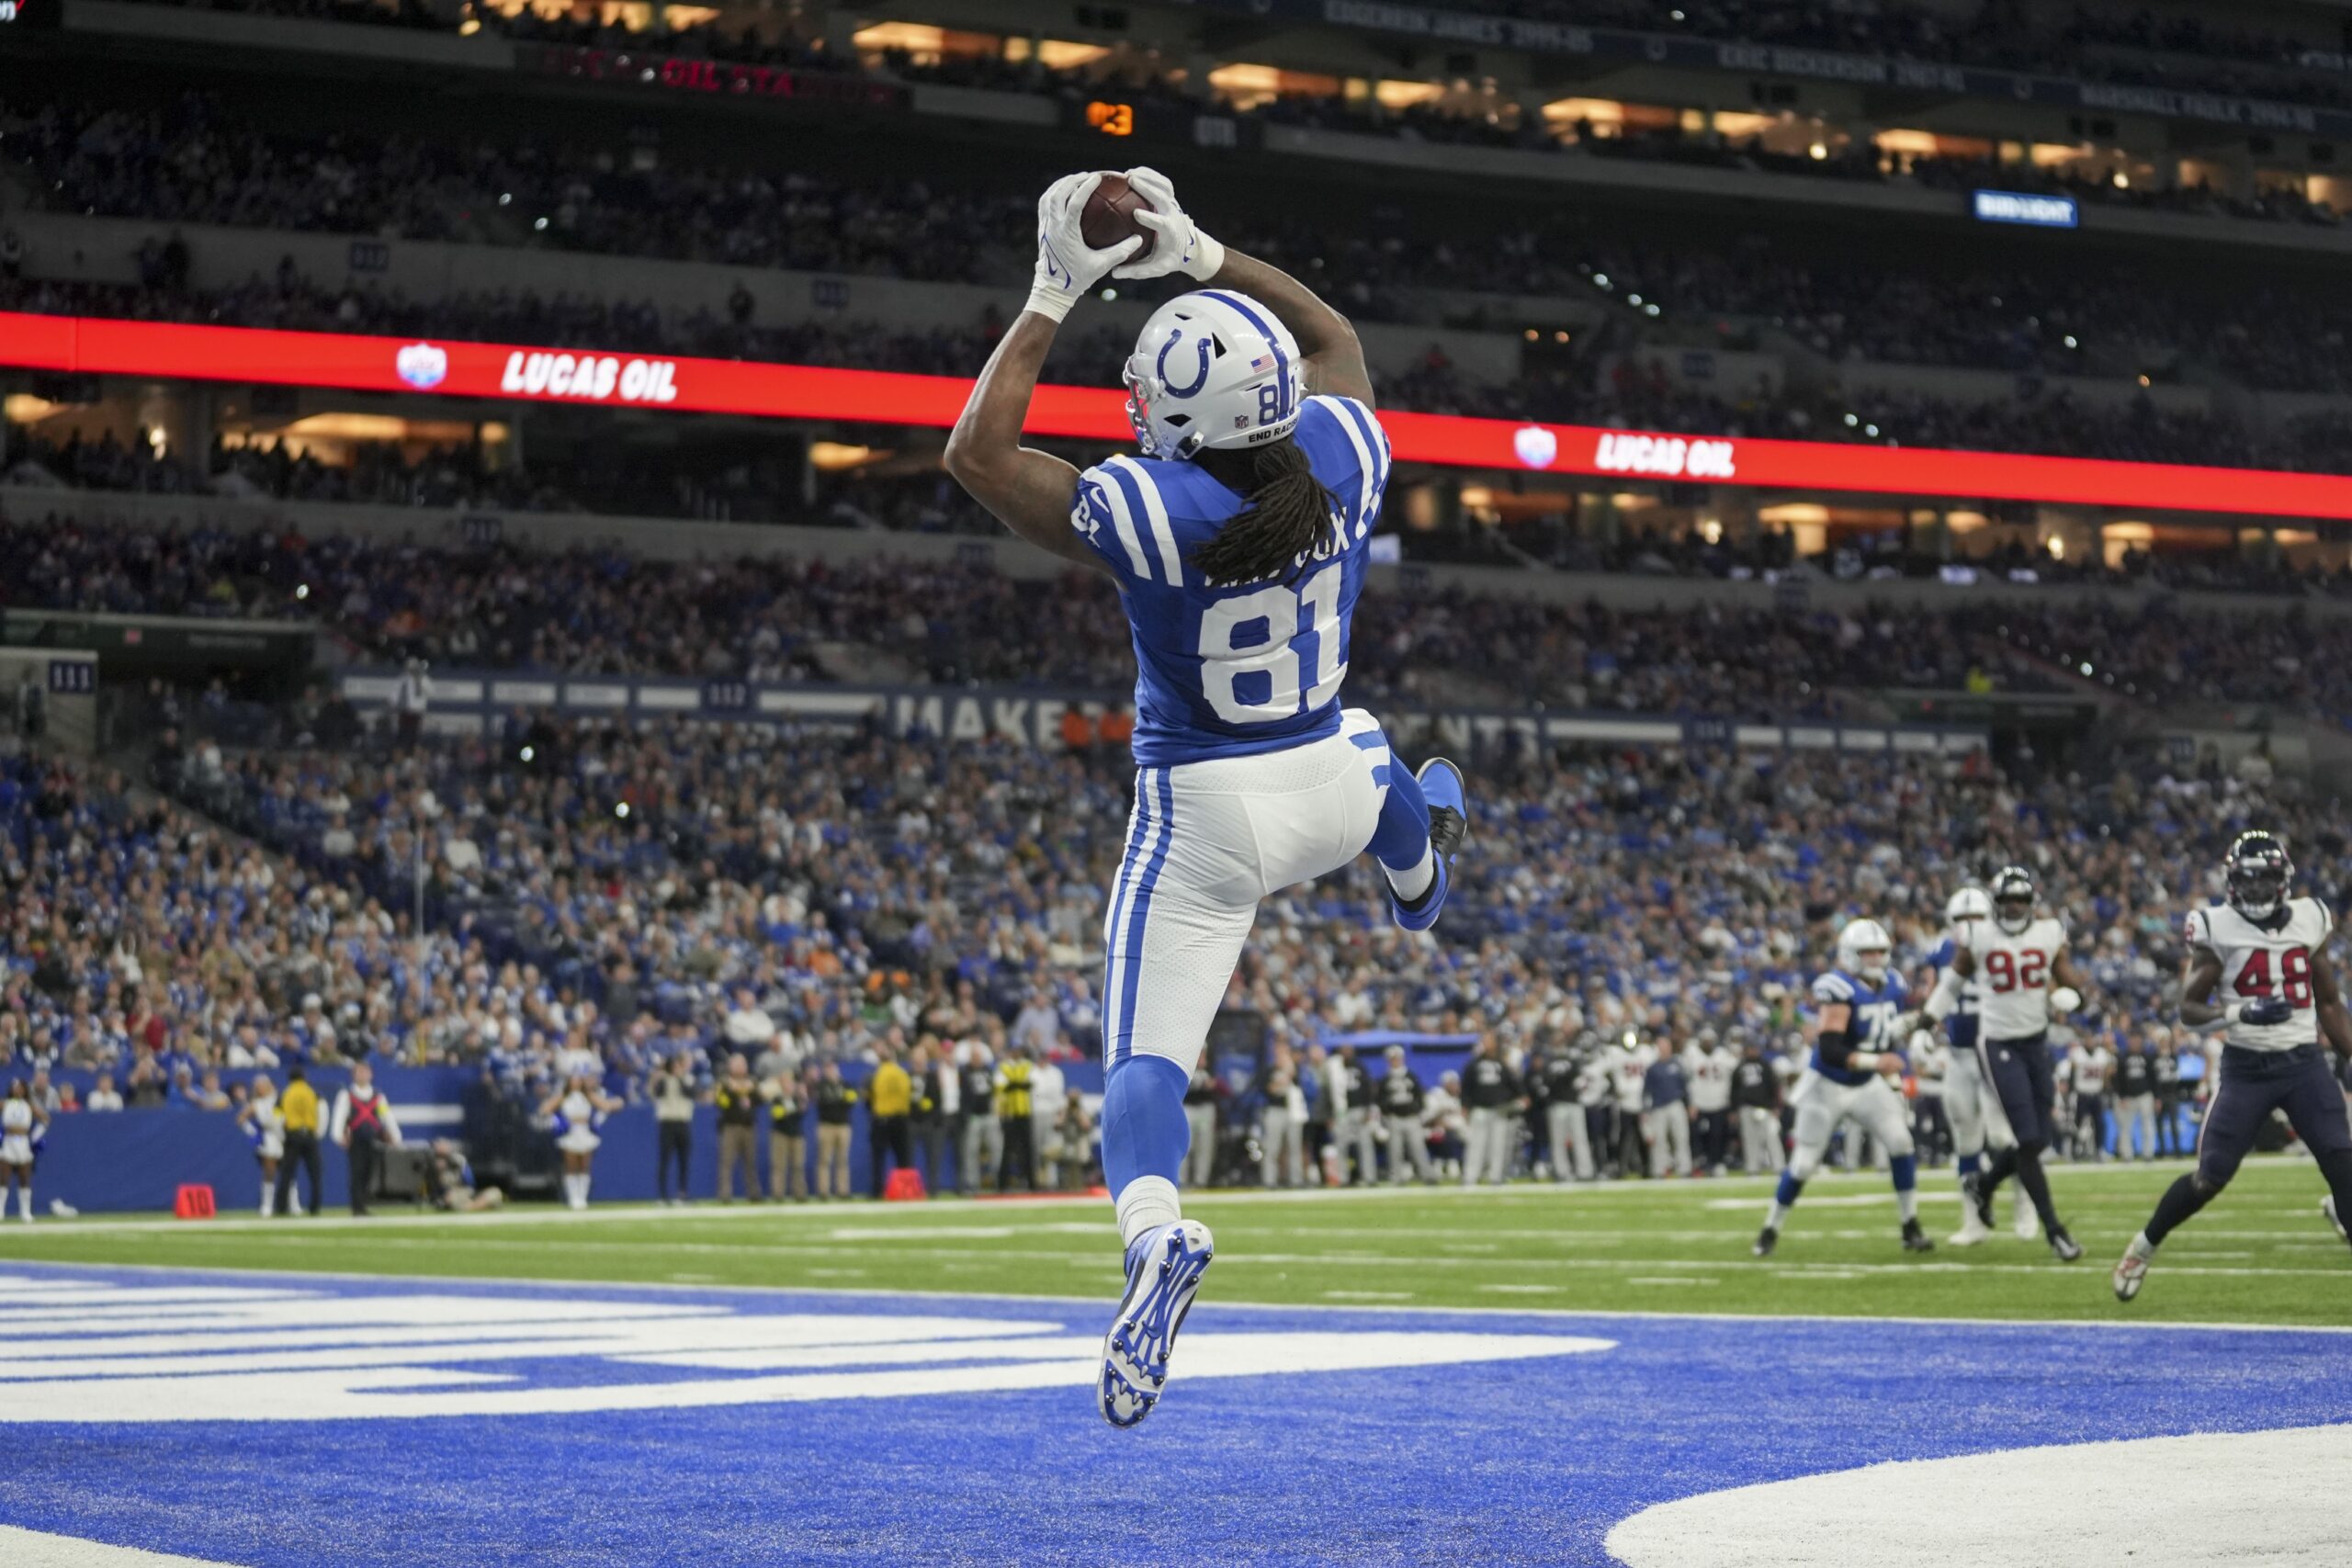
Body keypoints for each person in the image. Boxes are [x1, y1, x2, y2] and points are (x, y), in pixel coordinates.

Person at [946, 164, 1467, 1426]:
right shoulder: (1338, 451)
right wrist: (1204, 252)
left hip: (1202, 818)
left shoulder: (1151, 506)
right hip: (1327, 786)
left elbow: (977, 452)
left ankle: (1153, 1236)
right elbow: (1335, 337)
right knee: (1376, 748)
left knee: (1145, 1064)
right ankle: (1423, 876)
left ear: (1182, 422)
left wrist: (1052, 293)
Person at [2114, 832, 2352, 1300]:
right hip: (2247, 1069)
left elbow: (2327, 1000)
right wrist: (2240, 1012)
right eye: (2249, 880)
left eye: (2266, 880)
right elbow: (2188, 1010)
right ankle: (2142, 1247)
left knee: (2343, 1164)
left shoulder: (2310, 917)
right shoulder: (2215, 926)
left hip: (2304, 1062)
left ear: (2283, 881)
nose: (2258, 890)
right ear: (2232, 882)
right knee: (2210, 1177)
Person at [1926, 865, 2093, 1260]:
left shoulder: (2049, 932)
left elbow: (2067, 976)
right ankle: (2055, 1231)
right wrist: (1924, 1021)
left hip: (2035, 1042)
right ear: (1996, 905)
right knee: (2026, 1138)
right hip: (1997, 1043)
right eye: (2007, 901)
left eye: (2021, 900)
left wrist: (2075, 994)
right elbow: (1950, 986)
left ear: (2032, 903)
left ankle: (1983, 1186)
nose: (2015, 907)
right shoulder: (1980, 936)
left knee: (2038, 1137)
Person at [1756, 919, 1935, 1258]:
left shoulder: (1893, 984)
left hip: (1866, 1086)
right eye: (1867, 952)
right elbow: (1831, 1049)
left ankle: (1910, 1225)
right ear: (1850, 955)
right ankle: (1770, 1228)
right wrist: (1877, 1062)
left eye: (1880, 952)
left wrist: (1911, 1023)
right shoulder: (1837, 987)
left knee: (1901, 1142)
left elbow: (1881, 1026)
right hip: (1829, 1085)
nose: (1874, 959)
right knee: (1804, 1164)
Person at [1929, 886, 2016, 1246]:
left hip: (1992, 1052)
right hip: (1959, 1055)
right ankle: (1972, 1222)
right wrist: (1927, 1032)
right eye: (1962, 919)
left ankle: (2023, 1204)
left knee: (2003, 1138)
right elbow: (1939, 997)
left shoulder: (2002, 947)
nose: (1969, 925)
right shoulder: (1941, 952)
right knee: (1966, 1141)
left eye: (1976, 918)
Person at [330, 1061, 401, 1217]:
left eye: (365, 1071)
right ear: (353, 1075)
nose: (363, 1075)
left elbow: (386, 1115)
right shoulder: (346, 1095)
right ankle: (357, 1207)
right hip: (356, 1139)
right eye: (359, 1072)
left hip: (373, 1139)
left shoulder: (378, 1096)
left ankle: (364, 1204)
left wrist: (395, 1135)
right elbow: (339, 1116)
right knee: (357, 1172)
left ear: (371, 1074)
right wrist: (337, 1135)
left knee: (370, 1172)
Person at [540, 1070, 619, 1211]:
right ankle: (573, 1197)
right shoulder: (564, 1096)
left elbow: (606, 1106)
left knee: (584, 1165)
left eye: (578, 1080)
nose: (576, 1083)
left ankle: (582, 1197)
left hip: (584, 1131)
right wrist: (562, 1120)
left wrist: (613, 1102)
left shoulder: (588, 1095)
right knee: (570, 1166)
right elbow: (545, 1109)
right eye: (573, 1080)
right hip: (570, 1132)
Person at [1461, 1035, 1520, 1185]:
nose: (1487, 1045)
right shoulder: (1474, 1064)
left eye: (1489, 1041)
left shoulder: (1502, 1064)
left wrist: (1516, 1098)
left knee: (1498, 1145)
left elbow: (1514, 1084)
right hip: (1479, 1109)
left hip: (1498, 1109)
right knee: (1476, 1144)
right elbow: (1466, 1087)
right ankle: (1471, 1176)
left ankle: (1495, 1176)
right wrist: (1465, 1106)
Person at [1682, 1028, 1736, 1176]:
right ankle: (1700, 1162)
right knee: (1698, 1135)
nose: (1707, 1044)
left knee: (1718, 1135)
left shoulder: (1723, 1055)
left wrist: (1730, 1103)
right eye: (1705, 1041)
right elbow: (1687, 1081)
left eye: (1709, 1041)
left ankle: (1717, 1163)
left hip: (1719, 1103)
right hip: (1699, 1103)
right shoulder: (1692, 1054)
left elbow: (1735, 1074)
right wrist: (1691, 1102)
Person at [1376, 1045, 1435, 1184]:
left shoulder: (1411, 1076)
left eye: (1397, 1058)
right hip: (1394, 1118)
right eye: (1393, 1058)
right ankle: (1397, 1177)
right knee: (1395, 1150)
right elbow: (1380, 1099)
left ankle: (1427, 1175)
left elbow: (1419, 1096)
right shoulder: (1385, 1079)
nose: (1395, 1061)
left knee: (1418, 1148)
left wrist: (1418, 1111)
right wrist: (1387, 1112)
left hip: (1411, 1117)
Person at [274, 1064, 324, 1218]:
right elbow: (323, 1111)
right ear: (305, 1077)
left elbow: (276, 1117)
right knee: (315, 1174)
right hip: (310, 1135)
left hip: (292, 1135)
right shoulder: (313, 1092)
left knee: (286, 1174)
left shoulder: (285, 1093)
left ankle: (281, 1207)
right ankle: (315, 1207)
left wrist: (281, 1136)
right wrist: (318, 1133)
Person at [1730, 1032, 1784, 1173]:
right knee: (1749, 1139)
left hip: (1765, 1107)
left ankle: (1778, 1165)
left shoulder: (1765, 1065)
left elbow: (1774, 1086)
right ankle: (1752, 1167)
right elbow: (1734, 1089)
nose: (1753, 1050)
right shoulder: (1740, 1067)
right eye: (1751, 1048)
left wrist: (1776, 1106)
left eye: (1755, 1048)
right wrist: (1734, 1109)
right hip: (1746, 1106)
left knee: (1771, 1137)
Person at [238, 1074, 289, 1217]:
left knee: (288, 1172)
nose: (260, 1089)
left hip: (284, 1137)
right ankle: (267, 1205)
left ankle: (293, 1204)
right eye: (257, 1086)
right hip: (268, 1139)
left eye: (262, 1085)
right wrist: (252, 1131)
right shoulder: (256, 1103)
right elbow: (240, 1118)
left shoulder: (280, 1098)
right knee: (269, 1172)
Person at [650, 1051, 696, 1205]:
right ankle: (662, 1195)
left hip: (683, 1122)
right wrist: (661, 1075)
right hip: (667, 1122)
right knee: (665, 1160)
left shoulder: (688, 1079)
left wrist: (680, 1077)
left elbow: (689, 1093)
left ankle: (682, 1193)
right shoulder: (664, 1080)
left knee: (684, 1160)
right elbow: (658, 1093)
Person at [866, 1048, 914, 1199]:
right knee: (903, 1157)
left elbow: (870, 1097)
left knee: (878, 1158)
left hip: (881, 1119)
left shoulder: (876, 1074)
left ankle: (877, 1191)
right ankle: (906, 1191)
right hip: (900, 1119)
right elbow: (909, 1094)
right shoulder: (902, 1074)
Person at [713, 1054, 761, 1202]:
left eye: (742, 1064)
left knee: (750, 1162)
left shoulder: (752, 1082)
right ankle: (725, 1194)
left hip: (748, 1126)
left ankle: (754, 1193)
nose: (740, 1068)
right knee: (727, 1162)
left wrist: (750, 1091)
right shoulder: (724, 1083)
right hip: (730, 1126)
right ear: (730, 1066)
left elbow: (759, 1100)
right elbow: (721, 1103)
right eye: (737, 1064)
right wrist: (733, 1091)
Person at [957, 1043, 1003, 1196]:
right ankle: (972, 1184)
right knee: (971, 1151)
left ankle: (997, 1181)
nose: (977, 1059)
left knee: (996, 1148)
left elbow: (996, 1092)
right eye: (974, 1057)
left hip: (989, 1115)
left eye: (979, 1057)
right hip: (974, 1117)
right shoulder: (964, 1072)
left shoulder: (989, 1071)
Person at [1643, 1044, 1693, 1179]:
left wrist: (1689, 1104)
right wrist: (1646, 1110)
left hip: (1676, 1103)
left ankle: (1685, 1168)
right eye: (1661, 1048)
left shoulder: (1677, 1065)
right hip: (1658, 1106)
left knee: (1681, 1137)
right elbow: (1647, 1091)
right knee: (1659, 1140)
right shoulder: (1653, 1068)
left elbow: (1685, 1086)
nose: (1664, 1050)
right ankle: (1659, 1169)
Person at [1258, 1051, 1306, 1188]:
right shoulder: (1269, 1071)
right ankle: (1269, 1180)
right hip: (1275, 1110)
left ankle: (1296, 1180)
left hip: (1293, 1111)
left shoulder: (1295, 1072)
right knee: (1272, 1148)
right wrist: (1281, 1081)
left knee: (1294, 1147)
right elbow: (1269, 1090)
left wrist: (1291, 1076)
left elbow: (1300, 1088)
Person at [994, 1045, 1036, 1193]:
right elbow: (1000, 1086)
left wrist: (1014, 1084)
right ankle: (1002, 1184)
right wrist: (1019, 1085)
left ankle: (1032, 1184)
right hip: (1010, 1113)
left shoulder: (1027, 1066)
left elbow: (1032, 1084)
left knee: (1028, 1150)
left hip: (1025, 1113)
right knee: (1007, 1150)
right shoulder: (1004, 1067)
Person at [1, 1078, 44, 1222]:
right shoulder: (5, 1103)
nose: (17, 1090)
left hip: (23, 1142)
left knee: (24, 1178)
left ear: (25, 1090)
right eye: (14, 1087)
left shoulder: (28, 1105)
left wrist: (35, 1136)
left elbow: (45, 1119)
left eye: (20, 1087)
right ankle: (0, 1210)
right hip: (8, 1142)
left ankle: (25, 1212)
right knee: (3, 1178)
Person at [812, 1060, 856, 1200]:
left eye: (833, 1069)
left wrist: (837, 1100)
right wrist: (839, 1099)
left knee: (842, 1160)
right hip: (826, 1126)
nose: (832, 1072)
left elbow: (851, 1101)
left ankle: (843, 1190)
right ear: (825, 1072)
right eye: (829, 1069)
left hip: (843, 1125)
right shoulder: (821, 1086)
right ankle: (823, 1191)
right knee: (824, 1160)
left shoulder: (845, 1085)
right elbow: (823, 1102)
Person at [424, 1138, 505, 1213]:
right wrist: (439, 1173)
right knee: (451, 1198)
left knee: (495, 1192)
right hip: (450, 1197)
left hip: (466, 1194)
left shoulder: (458, 1162)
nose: (441, 1160)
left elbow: (470, 1183)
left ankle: (472, 1206)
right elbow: (434, 1191)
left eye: (443, 1156)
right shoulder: (431, 1168)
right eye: (439, 1156)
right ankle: (478, 1206)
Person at [2071, 1034, 2116, 1161]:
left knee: (2099, 1124)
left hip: (2096, 1094)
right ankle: (2075, 1151)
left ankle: (2099, 1150)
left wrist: (2107, 1085)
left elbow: (2109, 1072)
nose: (2090, 1042)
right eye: (2088, 1039)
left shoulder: (2102, 1054)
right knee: (2078, 1123)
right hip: (2082, 1094)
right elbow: (2072, 1073)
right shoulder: (2078, 1053)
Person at [768, 1066, 809, 1201]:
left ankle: (799, 1193)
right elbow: (777, 1114)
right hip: (780, 1134)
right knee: (779, 1165)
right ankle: (778, 1193)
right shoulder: (777, 1099)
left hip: (796, 1134)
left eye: (790, 1082)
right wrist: (791, 1110)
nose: (789, 1085)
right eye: (786, 1082)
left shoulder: (798, 1098)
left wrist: (802, 1098)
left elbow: (802, 1112)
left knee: (798, 1166)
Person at [2115, 1036, 2159, 1161]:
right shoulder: (2123, 1057)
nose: (2134, 1044)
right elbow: (2119, 1079)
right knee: (2125, 1127)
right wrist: (2121, 1096)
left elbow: (2153, 1078)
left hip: (2145, 1095)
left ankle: (2148, 1153)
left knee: (2148, 1125)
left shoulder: (2147, 1057)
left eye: (2137, 1041)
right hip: (2128, 1097)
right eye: (2132, 1041)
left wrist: (2156, 1097)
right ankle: (2127, 1154)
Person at [1182, 1063, 1218, 1189]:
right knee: (1185, 1145)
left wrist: (1212, 1085)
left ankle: (1201, 1181)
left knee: (1204, 1146)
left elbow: (1220, 1086)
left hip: (1205, 1107)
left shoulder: (1209, 1070)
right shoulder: (1185, 1064)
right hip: (1188, 1107)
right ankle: (1182, 1180)